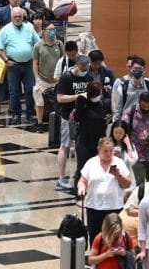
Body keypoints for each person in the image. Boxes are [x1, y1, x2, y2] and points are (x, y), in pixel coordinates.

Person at [77, 137, 132, 246]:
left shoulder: (119, 163)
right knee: (95, 237)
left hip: (114, 207)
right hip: (94, 207)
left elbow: (127, 184)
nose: (108, 153)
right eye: (105, 151)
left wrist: (118, 175)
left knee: (114, 238)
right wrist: (81, 188)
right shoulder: (91, 163)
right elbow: (82, 180)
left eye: (111, 151)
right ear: (99, 149)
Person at [0, 7, 41, 124]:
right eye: (15, 16)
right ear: (11, 17)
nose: (17, 18)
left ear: (23, 16)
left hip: (28, 64)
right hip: (13, 65)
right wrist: (6, 61)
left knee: (30, 90)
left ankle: (30, 114)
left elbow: (38, 44)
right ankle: (16, 114)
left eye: (19, 16)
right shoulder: (5, 30)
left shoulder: (29, 27)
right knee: (14, 91)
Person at [56, 55, 94, 190]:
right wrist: (77, 97)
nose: (85, 70)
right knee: (65, 146)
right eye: (82, 68)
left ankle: (81, 176)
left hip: (83, 116)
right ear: (77, 66)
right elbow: (60, 98)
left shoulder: (89, 76)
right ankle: (61, 178)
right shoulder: (67, 77)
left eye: (87, 68)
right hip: (68, 116)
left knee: (81, 146)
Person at [31, 21, 64, 132]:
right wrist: (36, 78)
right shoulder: (38, 46)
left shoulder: (59, 44)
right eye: (50, 30)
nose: (53, 32)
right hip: (42, 79)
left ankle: (57, 123)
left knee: (57, 102)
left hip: (56, 79)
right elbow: (35, 62)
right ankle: (39, 123)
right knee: (39, 102)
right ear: (44, 31)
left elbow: (63, 59)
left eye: (54, 29)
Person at [74, 81, 108, 185]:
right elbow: (77, 117)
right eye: (96, 94)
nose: (97, 96)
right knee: (83, 167)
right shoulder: (82, 101)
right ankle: (79, 192)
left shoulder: (102, 103)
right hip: (84, 141)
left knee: (99, 168)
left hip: (98, 142)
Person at [113, 55, 149, 121]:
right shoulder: (123, 87)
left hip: (145, 122)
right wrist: (116, 124)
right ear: (131, 69)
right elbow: (118, 110)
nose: (137, 71)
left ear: (144, 69)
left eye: (140, 69)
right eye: (135, 68)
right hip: (128, 122)